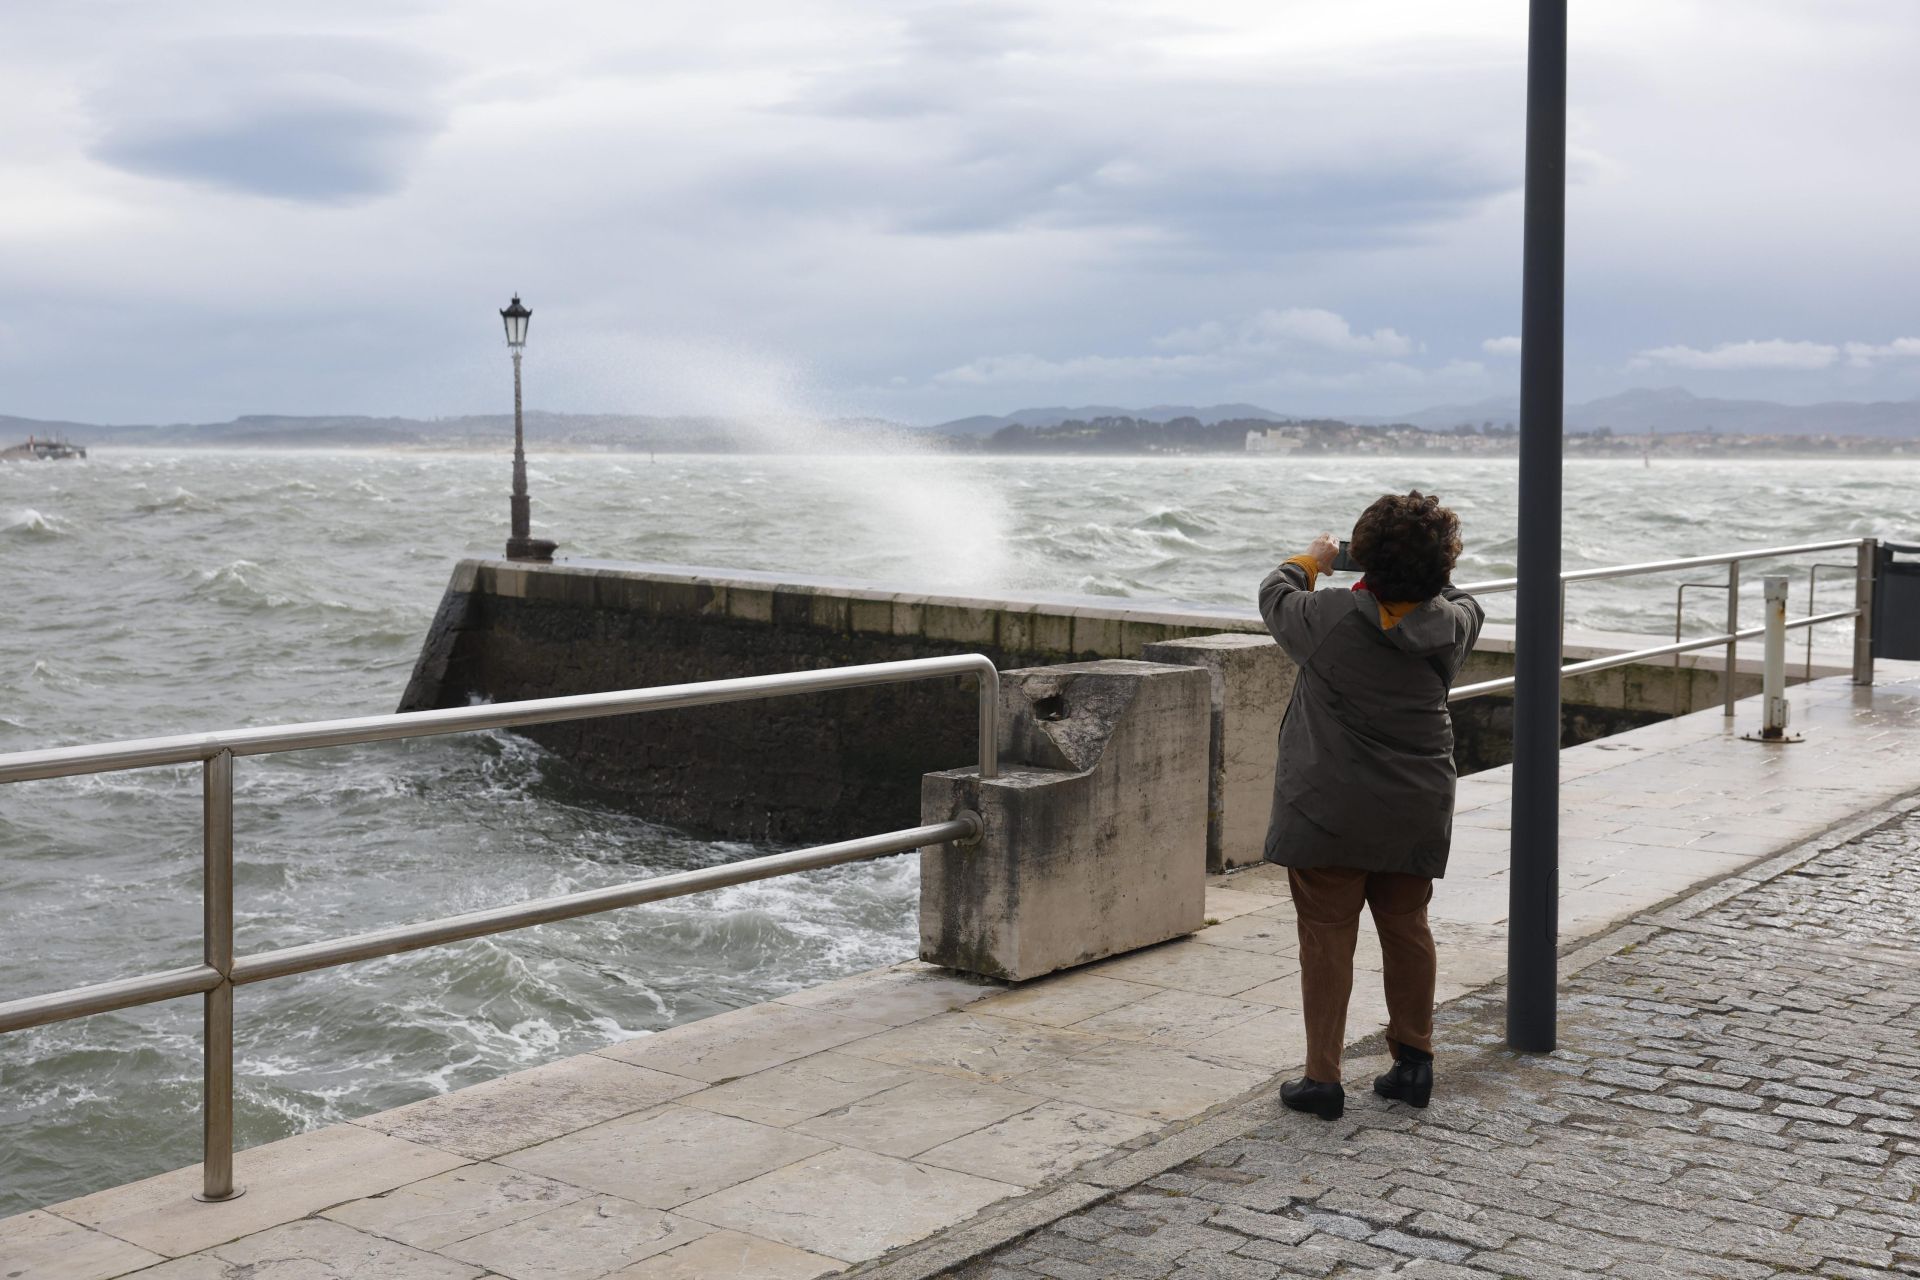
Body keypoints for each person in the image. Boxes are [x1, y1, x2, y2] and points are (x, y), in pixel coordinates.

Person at [1255, 491, 1484, 1120]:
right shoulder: (1455, 622)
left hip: (1328, 805)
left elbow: (1274, 592)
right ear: (1441, 566)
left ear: (1367, 562)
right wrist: (1425, 566)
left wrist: (1316, 557)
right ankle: (1413, 1063)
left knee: (1326, 937)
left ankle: (1322, 1079)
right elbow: (1458, 597)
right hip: (1416, 802)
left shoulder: (1326, 617)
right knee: (1407, 927)